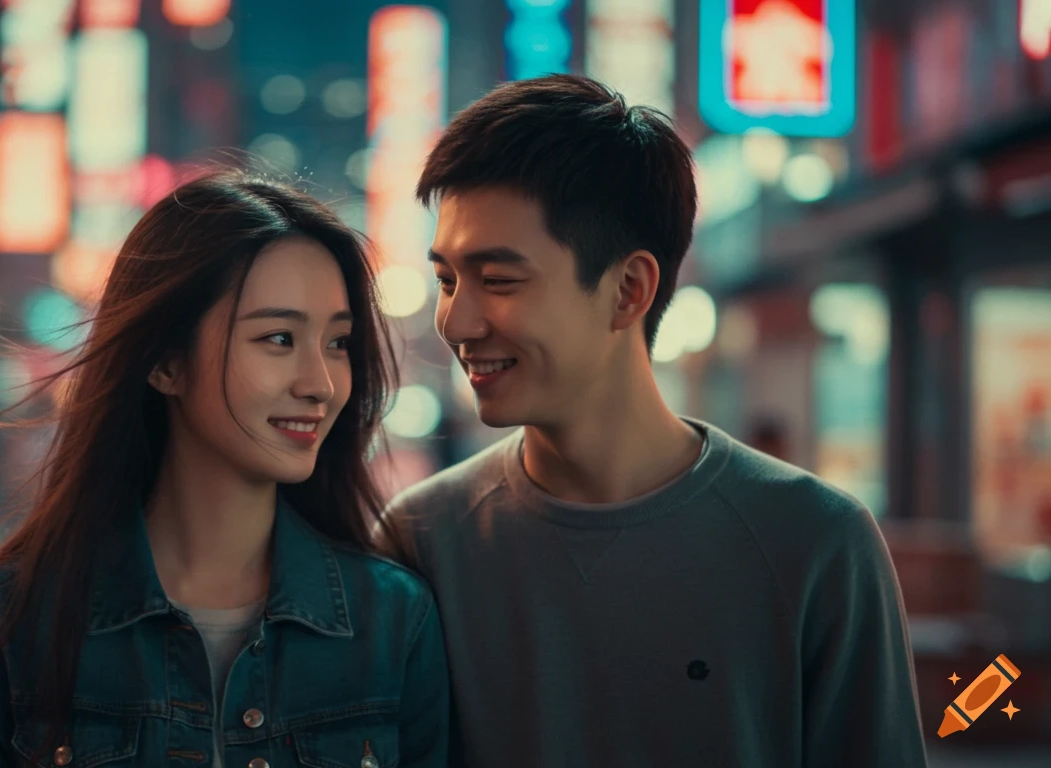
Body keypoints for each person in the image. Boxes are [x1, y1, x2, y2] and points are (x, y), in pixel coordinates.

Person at [381, 75, 927, 767]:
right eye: (448, 279)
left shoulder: (816, 542)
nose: (457, 321)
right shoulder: (421, 540)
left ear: (628, 289)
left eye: (499, 280)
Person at [0, 171, 449, 768]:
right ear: (165, 362)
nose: (320, 384)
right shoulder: (16, 618)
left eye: (337, 343)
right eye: (277, 338)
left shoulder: (393, 622)